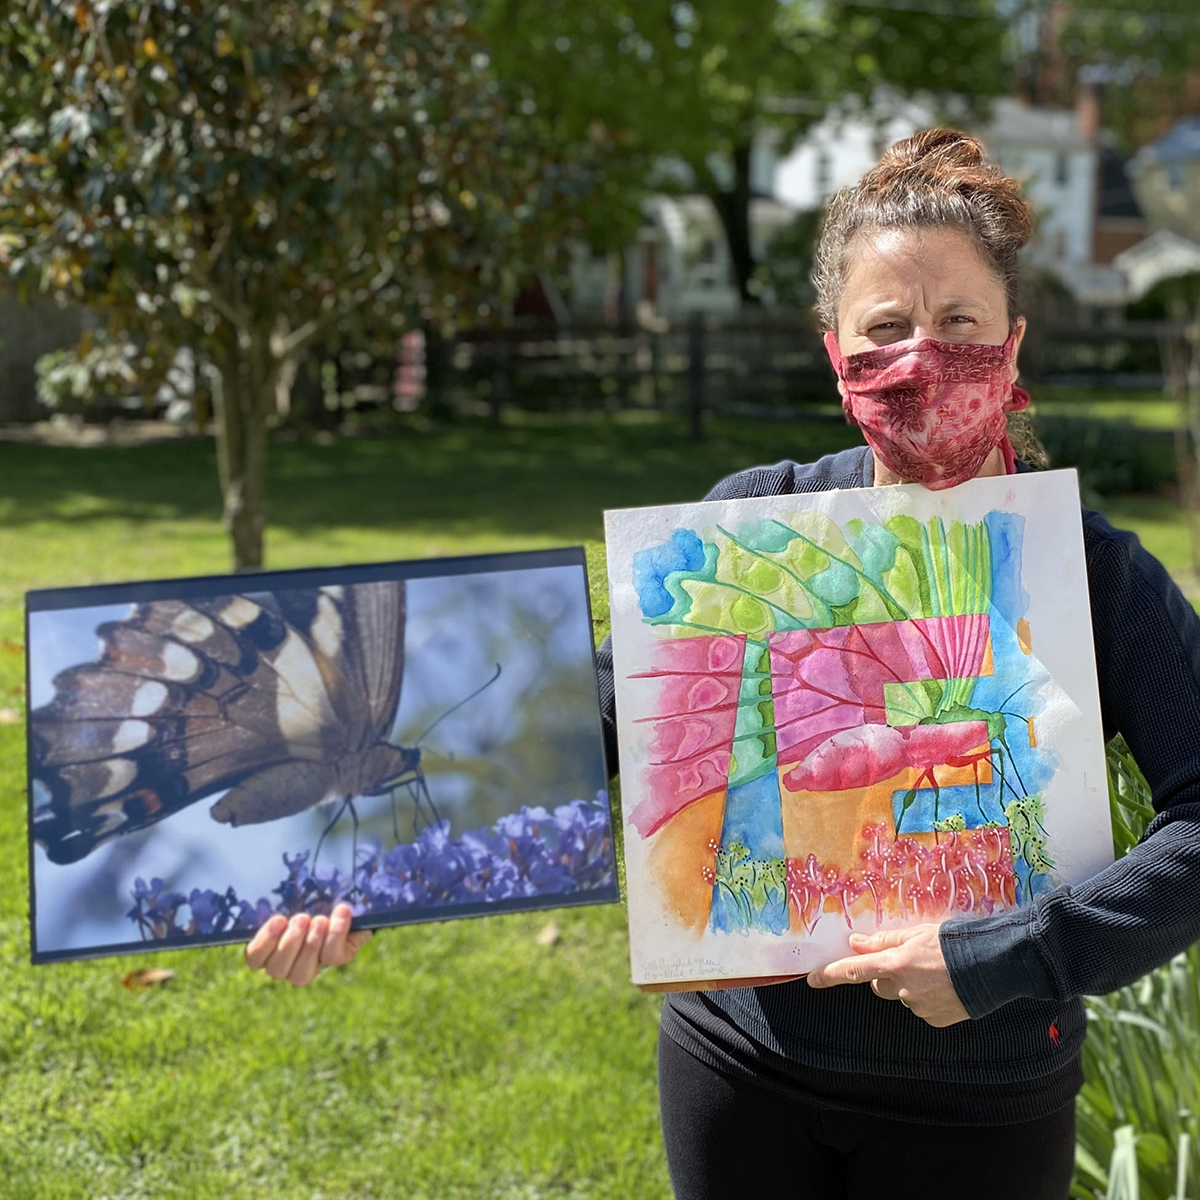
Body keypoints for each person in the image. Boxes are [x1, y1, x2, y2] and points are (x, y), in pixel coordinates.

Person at [244, 130, 1200, 1200]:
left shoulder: (1092, 573)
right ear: (833, 352)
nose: (921, 358)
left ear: (1013, 346)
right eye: (885, 328)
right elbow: (590, 719)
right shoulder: (751, 525)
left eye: (959, 323)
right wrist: (364, 876)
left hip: (985, 1101)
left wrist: (1012, 958)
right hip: (740, 1073)